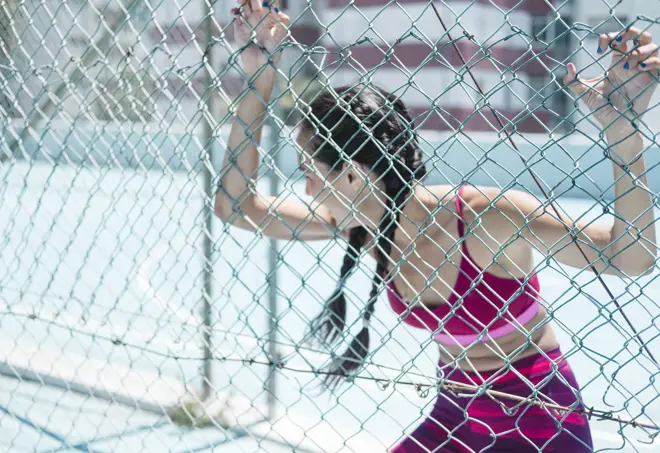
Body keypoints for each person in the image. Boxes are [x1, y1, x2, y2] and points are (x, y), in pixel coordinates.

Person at [215, 1, 659, 451]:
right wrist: (258, 79)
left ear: (352, 175)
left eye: (310, 172)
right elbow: (236, 207)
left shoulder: (485, 219)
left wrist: (624, 134)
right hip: (455, 416)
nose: (307, 191)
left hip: (538, 423)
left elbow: (631, 257)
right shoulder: (367, 225)